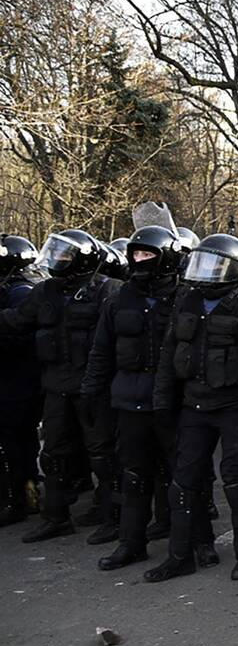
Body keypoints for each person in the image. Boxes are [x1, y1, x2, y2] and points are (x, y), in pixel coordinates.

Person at [147, 234, 238, 583]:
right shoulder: (187, 300)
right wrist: (162, 403)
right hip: (194, 406)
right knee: (183, 483)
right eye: (203, 264)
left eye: (216, 266)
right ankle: (181, 555)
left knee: (235, 481)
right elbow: (167, 357)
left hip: (233, 406)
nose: (207, 274)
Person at [0, 230, 122, 544]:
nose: (58, 260)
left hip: (93, 388)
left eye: (65, 256)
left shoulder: (108, 291)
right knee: (53, 454)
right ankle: (56, 517)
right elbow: (17, 320)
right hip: (56, 388)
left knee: (102, 455)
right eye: (56, 254)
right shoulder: (45, 292)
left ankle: (114, 516)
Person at [82, 225, 184, 570]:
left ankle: (189, 542)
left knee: (181, 475)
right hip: (130, 402)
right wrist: (90, 392)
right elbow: (101, 351)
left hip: (173, 402)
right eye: (136, 254)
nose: (140, 260)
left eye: (147, 254)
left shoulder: (185, 298)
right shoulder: (118, 299)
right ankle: (131, 542)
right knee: (134, 474)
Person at [0, 235, 41, 526]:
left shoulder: (21, 291)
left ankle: (21, 496)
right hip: (14, 380)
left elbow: (22, 337)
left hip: (18, 382)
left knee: (14, 440)